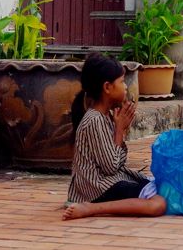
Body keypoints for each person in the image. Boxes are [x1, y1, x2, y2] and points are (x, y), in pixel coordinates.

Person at [63, 54, 167, 220]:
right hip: (97, 188)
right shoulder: (94, 120)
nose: (126, 87)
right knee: (158, 204)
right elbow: (111, 167)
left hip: (111, 180)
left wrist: (120, 128)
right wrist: (119, 130)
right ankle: (91, 209)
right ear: (107, 87)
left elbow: (116, 163)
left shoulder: (107, 116)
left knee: (162, 186)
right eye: (122, 81)